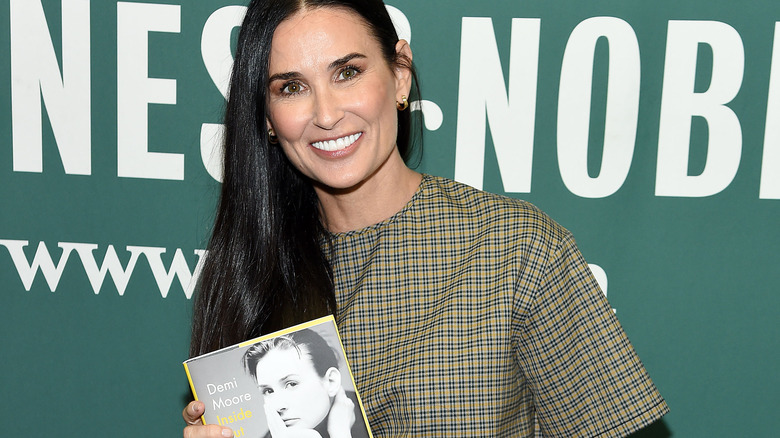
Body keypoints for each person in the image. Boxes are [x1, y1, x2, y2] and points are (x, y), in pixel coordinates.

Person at [183, 0, 669, 437]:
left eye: (347, 73)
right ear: (267, 116)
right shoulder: (252, 273)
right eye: (292, 87)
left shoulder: (515, 249)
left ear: (399, 75)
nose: (326, 114)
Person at [242, 329, 370, 438]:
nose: (278, 406)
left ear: (331, 381)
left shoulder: (371, 412)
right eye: (268, 391)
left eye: (291, 384)